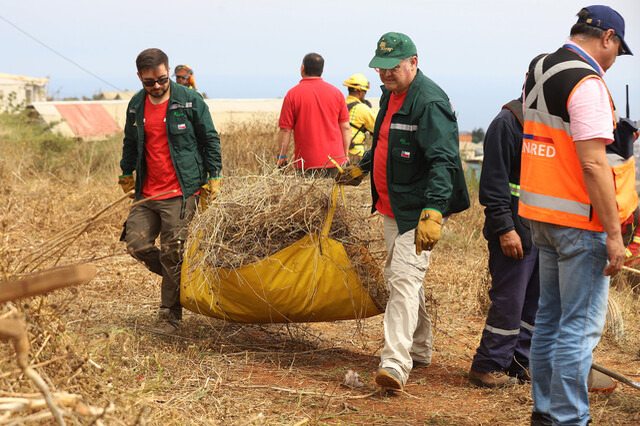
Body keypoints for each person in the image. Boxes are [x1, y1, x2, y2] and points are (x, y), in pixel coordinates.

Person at [518, 6, 635, 425]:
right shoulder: (586, 82)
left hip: (541, 214)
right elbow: (593, 164)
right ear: (607, 37)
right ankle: (569, 419)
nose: (614, 60)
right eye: (617, 50)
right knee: (579, 329)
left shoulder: (540, 68)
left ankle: (545, 413)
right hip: (578, 221)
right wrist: (614, 233)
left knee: (549, 318)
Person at [336, 32, 469, 391]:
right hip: (392, 204)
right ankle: (421, 347)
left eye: (393, 68)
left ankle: (395, 363)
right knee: (405, 278)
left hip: (418, 209)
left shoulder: (429, 102)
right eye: (380, 69)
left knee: (402, 281)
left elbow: (444, 161)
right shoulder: (389, 94)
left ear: (413, 61)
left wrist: (434, 211)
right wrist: (362, 166)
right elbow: (383, 138)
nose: (385, 75)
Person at [118, 48, 222, 334]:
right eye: (149, 82)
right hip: (147, 193)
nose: (157, 86)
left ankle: (170, 316)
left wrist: (214, 176)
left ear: (168, 73)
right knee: (135, 244)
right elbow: (130, 142)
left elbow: (210, 139)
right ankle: (181, 279)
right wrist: (126, 172)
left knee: (173, 250)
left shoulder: (190, 101)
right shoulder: (135, 105)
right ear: (139, 78)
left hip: (182, 190)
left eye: (162, 79)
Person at [469, 56, 546, 389]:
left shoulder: (550, 126)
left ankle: (518, 365)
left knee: (534, 305)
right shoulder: (508, 122)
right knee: (509, 303)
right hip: (515, 232)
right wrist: (505, 229)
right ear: (529, 80)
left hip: (543, 234)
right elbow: (494, 186)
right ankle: (487, 366)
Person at [277, 53, 351, 177]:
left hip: (306, 163)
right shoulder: (337, 93)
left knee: (308, 196)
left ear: (302, 68)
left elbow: (285, 130)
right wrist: (346, 154)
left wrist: (282, 157)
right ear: (322, 70)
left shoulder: (292, 94)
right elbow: (345, 127)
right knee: (333, 196)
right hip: (336, 160)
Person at [343, 73, 377, 163]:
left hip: (339, 154)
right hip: (355, 155)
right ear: (360, 92)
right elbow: (377, 128)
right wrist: (372, 110)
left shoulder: (341, 104)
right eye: (365, 92)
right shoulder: (362, 108)